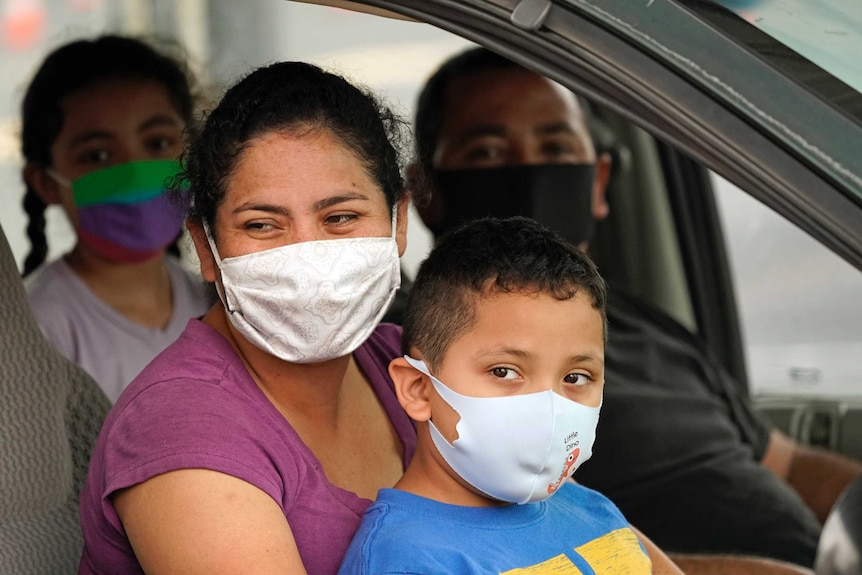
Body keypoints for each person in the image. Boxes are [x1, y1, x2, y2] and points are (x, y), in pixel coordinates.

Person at [410, 46, 862, 571]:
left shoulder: (647, 325)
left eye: (556, 149)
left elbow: (783, 462)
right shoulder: (440, 358)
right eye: (486, 153)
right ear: (427, 191)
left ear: (598, 181)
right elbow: (513, 549)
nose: (528, 170)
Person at [79, 60, 414, 575]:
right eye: (262, 225)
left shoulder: (409, 367)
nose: (308, 255)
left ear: (398, 224)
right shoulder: (178, 428)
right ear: (206, 249)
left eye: (340, 217)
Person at [339, 216, 682, 575]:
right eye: (504, 371)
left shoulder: (590, 508)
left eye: (576, 377)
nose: (548, 406)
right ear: (419, 388)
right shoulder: (405, 559)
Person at [20, 35, 214, 403]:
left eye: (157, 144)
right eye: (98, 156)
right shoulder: (37, 329)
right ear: (46, 183)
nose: (133, 174)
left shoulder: (215, 301)